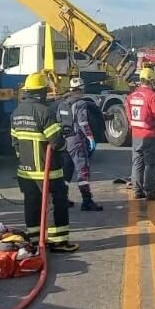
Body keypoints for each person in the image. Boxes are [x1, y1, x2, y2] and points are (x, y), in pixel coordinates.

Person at [11, 72, 78, 253]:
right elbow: (57, 142)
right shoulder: (44, 112)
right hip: (47, 170)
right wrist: (64, 141)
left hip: (25, 171)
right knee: (57, 203)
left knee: (32, 203)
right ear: (41, 92)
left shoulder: (16, 113)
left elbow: (15, 142)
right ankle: (59, 241)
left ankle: (34, 239)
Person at [57, 77, 103, 212]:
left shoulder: (62, 103)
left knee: (67, 170)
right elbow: (83, 122)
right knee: (82, 170)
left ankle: (62, 199)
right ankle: (87, 201)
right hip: (77, 140)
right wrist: (90, 137)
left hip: (65, 141)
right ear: (82, 89)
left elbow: (59, 121)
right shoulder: (80, 103)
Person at [126, 66, 155, 200]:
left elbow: (129, 115)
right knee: (152, 164)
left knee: (137, 162)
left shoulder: (131, 96)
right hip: (151, 135)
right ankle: (150, 191)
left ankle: (137, 190)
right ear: (151, 81)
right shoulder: (152, 96)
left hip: (136, 135)